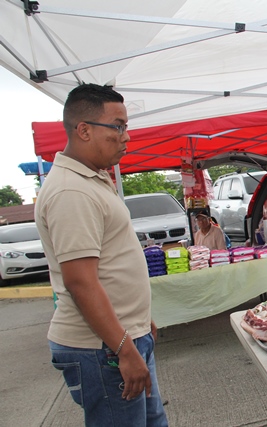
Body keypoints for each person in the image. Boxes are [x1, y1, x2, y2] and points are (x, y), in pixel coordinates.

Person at [34, 84, 168, 426]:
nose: (126, 137)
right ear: (84, 130)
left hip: (121, 336)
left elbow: (110, 261)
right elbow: (80, 282)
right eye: (118, 126)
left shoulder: (91, 178)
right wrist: (124, 347)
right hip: (102, 347)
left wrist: (138, 321)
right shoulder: (71, 191)